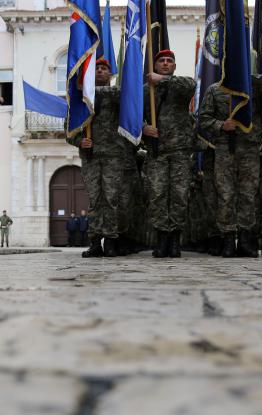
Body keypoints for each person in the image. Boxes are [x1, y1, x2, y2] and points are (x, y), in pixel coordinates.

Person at [198, 74, 262, 257]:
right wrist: (221, 125)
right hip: (225, 148)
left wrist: (246, 76)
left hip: (250, 148)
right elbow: (203, 119)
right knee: (225, 195)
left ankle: (245, 240)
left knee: (248, 195)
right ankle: (227, 239)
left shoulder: (254, 87)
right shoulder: (214, 90)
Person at [68, 59, 139, 257]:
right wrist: (80, 141)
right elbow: (70, 128)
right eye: (96, 68)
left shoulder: (117, 94)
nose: (100, 70)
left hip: (113, 156)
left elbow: (128, 104)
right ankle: (94, 242)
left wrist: (89, 90)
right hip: (91, 157)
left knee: (111, 198)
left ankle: (110, 241)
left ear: (111, 73)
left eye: (104, 68)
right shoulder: (81, 98)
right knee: (94, 200)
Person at [143, 49, 197, 258]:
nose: (165, 63)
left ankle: (175, 240)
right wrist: (143, 128)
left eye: (169, 61)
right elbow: (133, 116)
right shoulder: (145, 91)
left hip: (180, 151)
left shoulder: (179, 86)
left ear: (173, 67)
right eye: (161, 61)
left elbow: (191, 85)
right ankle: (161, 239)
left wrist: (163, 80)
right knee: (157, 195)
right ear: (155, 65)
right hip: (157, 152)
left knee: (179, 195)